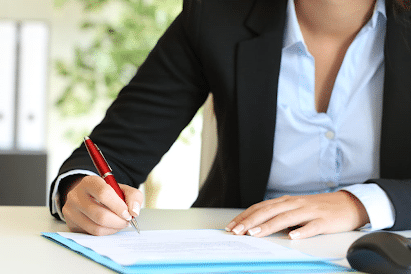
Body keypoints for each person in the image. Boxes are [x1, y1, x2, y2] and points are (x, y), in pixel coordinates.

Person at [50, 0, 411, 239]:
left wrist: (361, 204)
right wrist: (80, 192)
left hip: (388, 258)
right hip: (245, 257)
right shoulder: (217, 15)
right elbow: (109, 155)